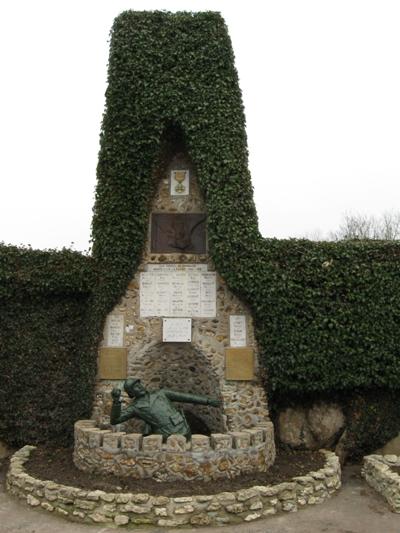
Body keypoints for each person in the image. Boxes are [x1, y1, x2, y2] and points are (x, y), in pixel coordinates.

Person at [110, 378, 221, 440]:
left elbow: (185, 397)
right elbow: (115, 420)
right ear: (131, 393)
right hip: (165, 435)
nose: (139, 387)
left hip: (183, 429)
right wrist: (116, 402)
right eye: (134, 387)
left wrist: (208, 401)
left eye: (139, 384)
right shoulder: (135, 407)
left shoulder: (161, 393)